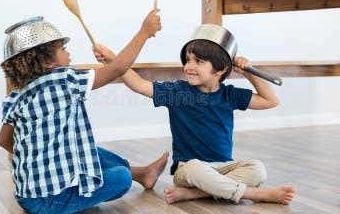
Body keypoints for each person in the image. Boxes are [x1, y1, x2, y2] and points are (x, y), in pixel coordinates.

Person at [0, 10, 169, 214]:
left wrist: (38, 157)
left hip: (26, 196)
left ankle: (143, 174)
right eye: (62, 48)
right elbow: (118, 68)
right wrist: (144, 32)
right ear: (46, 62)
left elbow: (4, 140)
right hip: (50, 200)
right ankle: (134, 175)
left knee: (87, 150)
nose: (68, 53)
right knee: (121, 179)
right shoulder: (63, 81)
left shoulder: (17, 95)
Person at [93, 37, 295, 205]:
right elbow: (139, 85)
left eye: (198, 61)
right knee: (194, 168)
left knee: (257, 169)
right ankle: (255, 194)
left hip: (223, 167)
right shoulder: (177, 92)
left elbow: (271, 100)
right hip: (188, 170)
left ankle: (196, 194)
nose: (188, 66)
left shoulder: (229, 95)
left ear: (220, 69)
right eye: (188, 60)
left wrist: (249, 72)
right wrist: (114, 60)